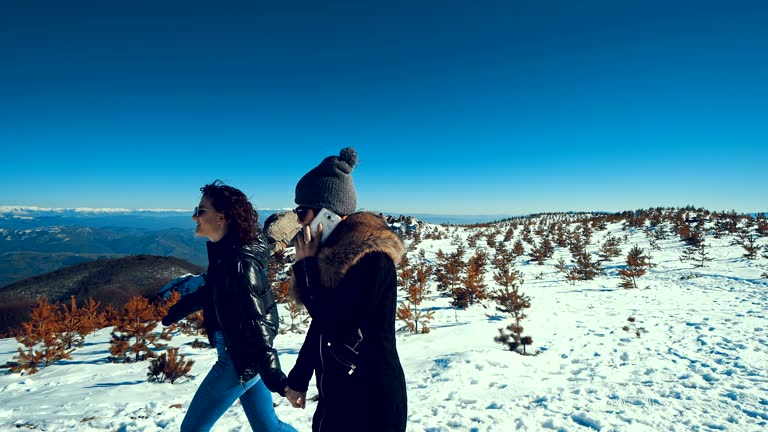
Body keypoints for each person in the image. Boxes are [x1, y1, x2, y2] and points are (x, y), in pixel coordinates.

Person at [284, 148, 408, 432]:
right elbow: (321, 326)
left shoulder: (372, 258)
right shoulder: (331, 257)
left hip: (371, 402)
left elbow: (338, 323)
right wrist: (299, 378)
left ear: (328, 213)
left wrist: (305, 268)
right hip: (338, 395)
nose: (300, 221)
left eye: (302, 211)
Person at [161, 181, 298, 432]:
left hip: (238, 359)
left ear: (221, 217)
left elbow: (258, 324)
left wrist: (277, 378)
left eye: (201, 210)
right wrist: (176, 312)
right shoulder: (226, 253)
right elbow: (214, 290)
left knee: (191, 430)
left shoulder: (239, 264)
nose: (194, 216)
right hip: (242, 354)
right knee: (269, 428)